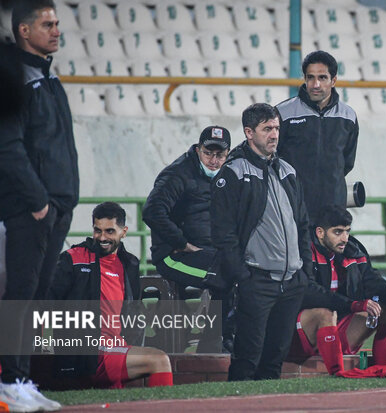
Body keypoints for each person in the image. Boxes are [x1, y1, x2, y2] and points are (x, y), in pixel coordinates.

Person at [0, 0, 79, 405]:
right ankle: (10, 382)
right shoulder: (16, 80)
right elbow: (9, 146)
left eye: (57, 23)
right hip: (31, 208)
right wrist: (37, 202)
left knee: (36, 297)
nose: (56, 30)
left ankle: (22, 383)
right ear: (24, 31)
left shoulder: (49, 79)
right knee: (20, 294)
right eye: (47, 24)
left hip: (57, 207)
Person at [211, 103, 311, 381]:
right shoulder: (233, 173)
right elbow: (223, 233)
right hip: (257, 280)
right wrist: (242, 276)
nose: (274, 134)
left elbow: (302, 224)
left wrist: (305, 272)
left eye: (277, 128)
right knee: (247, 359)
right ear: (249, 132)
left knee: (274, 361)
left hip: (291, 282)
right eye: (267, 129)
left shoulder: (288, 170)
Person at [47, 202, 173, 389]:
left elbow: (132, 313)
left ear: (124, 232)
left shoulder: (129, 263)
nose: (102, 237)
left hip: (116, 348)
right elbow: (46, 301)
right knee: (159, 359)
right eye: (98, 231)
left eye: (110, 231)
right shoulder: (73, 258)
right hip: (88, 351)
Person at [289, 205, 386, 375]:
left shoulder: (353, 251)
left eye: (347, 231)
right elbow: (308, 292)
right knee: (325, 313)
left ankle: (383, 371)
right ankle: (338, 373)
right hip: (300, 331)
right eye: (338, 232)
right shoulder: (304, 251)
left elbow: (374, 283)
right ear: (320, 233)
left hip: (336, 327)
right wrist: (353, 304)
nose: (345, 238)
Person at [143, 126, 233, 352]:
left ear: (228, 154)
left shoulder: (228, 173)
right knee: (224, 274)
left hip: (210, 253)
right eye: (208, 153)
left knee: (243, 269)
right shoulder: (177, 174)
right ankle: (212, 344)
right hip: (175, 255)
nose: (213, 160)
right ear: (197, 149)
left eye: (219, 155)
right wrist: (181, 243)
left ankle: (219, 340)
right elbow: (152, 212)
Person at [276, 50, 359, 224]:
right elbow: (272, 158)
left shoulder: (348, 116)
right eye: (310, 77)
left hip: (333, 209)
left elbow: (346, 163)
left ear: (333, 80)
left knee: (330, 253)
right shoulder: (283, 113)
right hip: (292, 208)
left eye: (322, 78)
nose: (315, 84)